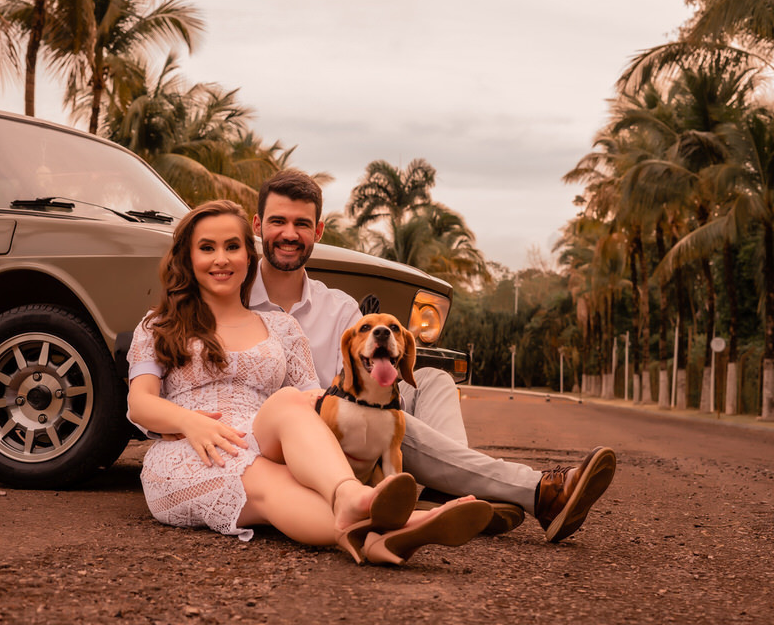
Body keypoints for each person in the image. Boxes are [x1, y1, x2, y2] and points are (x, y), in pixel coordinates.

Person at [248, 170, 617, 543]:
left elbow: (378, 372)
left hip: (357, 429)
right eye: (278, 221)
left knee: (431, 380)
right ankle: (539, 491)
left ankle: (446, 491)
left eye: (302, 223)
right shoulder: (236, 303)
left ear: (319, 231)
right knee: (378, 415)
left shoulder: (339, 307)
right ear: (258, 225)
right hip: (304, 445)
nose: (290, 234)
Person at [126, 200, 493, 565]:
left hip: (261, 435)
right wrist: (189, 423)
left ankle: (350, 497)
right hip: (192, 449)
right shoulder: (159, 326)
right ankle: (404, 527)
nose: (221, 259)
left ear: (248, 257)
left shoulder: (282, 328)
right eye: (207, 248)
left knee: (292, 400)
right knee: (271, 487)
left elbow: (313, 398)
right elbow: (140, 403)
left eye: (232, 246)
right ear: (187, 259)